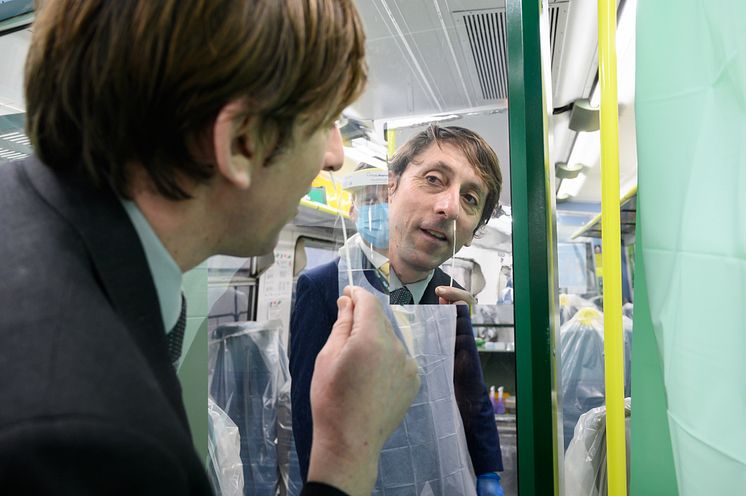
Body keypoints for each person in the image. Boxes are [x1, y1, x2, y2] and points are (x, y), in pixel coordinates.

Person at [0, 1, 419, 495]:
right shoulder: (89, 440)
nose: (335, 155)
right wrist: (347, 452)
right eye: (326, 119)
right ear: (241, 141)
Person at [290, 125, 505, 495]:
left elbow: (469, 392)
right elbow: (308, 414)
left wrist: (488, 469)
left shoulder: (451, 297)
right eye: (434, 179)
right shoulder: (323, 287)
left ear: (471, 235)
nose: (449, 207)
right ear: (392, 188)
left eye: (471, 199)